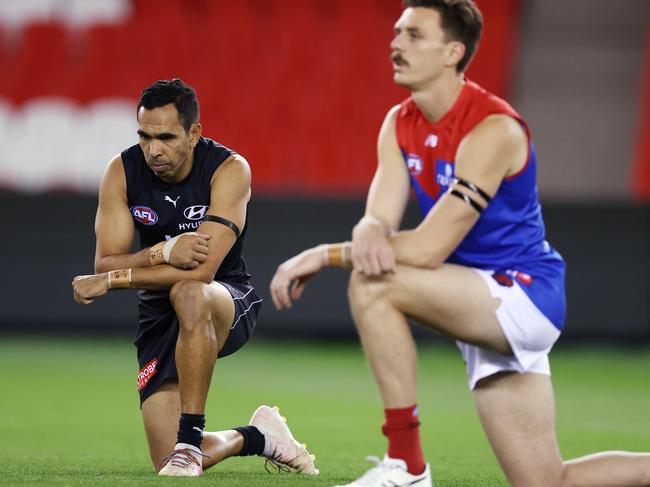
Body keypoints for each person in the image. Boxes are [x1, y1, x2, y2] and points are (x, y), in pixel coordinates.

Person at [270, 2, 650, 486]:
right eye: (396, 32)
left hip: (523, 293)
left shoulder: (493, 128)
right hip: (476, 296)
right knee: (546, 482)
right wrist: (368, 227)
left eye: (413, 35)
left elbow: (427, 249)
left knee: (373, 285)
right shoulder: (399, 122)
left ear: (453, 52)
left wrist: (323, 254)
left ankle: (406, 465)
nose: (396, 44)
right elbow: (379, 218)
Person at [72, 79, 317, 478]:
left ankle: (189, 442)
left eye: (166, 137)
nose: (153, 150)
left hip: (226, 298)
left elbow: (201, 271)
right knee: (163, 462)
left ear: (194, 133)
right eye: (145, 136)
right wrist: (162, 251)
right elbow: (105, 262)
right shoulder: (121, 171)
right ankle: (258, 437)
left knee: (190, 291)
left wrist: (116, 280)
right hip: (157, 308)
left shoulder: (229, 169)